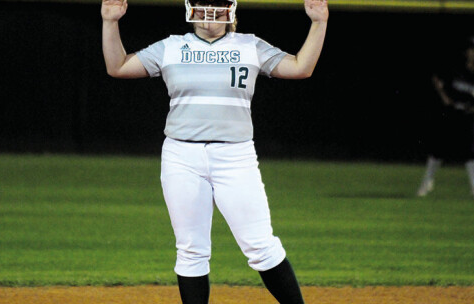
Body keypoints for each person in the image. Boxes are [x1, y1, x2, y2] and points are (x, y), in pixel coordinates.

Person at [101, 0, 328, 303]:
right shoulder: (172, 46)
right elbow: (117, 67)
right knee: (191, 249)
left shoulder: (249, 45)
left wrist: (319, 22)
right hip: (181, 156)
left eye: (218, 4)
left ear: (230, 8)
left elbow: (301, 67)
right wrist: (110, 21)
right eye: (205, 3)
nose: (211, 10)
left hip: (235, 156)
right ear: (191, 8)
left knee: (261, 246)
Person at [417, 35, 474, 200]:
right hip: (451, 112)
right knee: (437, 150)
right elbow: (440, 84)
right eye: (473, 50)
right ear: (467, 52)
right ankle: (426, 183)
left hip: (470, 115)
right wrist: (443, 95)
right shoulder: (456, 70)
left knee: (471, 153)